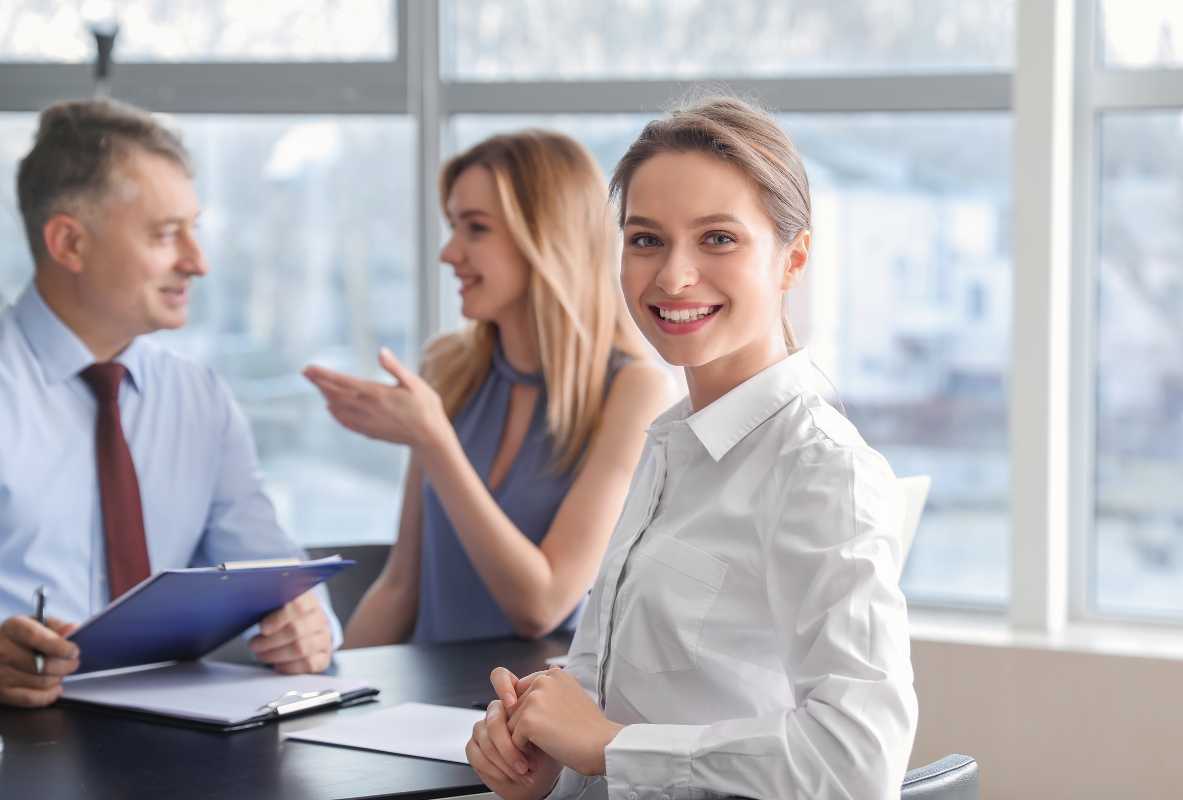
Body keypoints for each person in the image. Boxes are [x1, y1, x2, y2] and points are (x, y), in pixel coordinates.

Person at [466, 97, 919, 798]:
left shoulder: (822, 469)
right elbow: (602, 695)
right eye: (646, 239)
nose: (674, 277)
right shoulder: (671, 443)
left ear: (791, 259)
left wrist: (613, 748)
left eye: (717, 239)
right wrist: (537, 750)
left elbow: (859, 761)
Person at [0, 99, 340, 708]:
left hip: (177, 745)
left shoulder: (198, 399)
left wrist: (310, 625)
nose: (198, 261)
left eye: (194, 228)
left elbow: (276, 570)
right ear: (69, 244)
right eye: (165, 234)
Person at [304, 130, 669, 646]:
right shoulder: (448, 369)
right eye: (453, 226)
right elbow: (400, 586)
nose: (449, 253)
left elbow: (542, 605)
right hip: (420, 710)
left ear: (545, 237)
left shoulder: (635, 390)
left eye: (475, 229)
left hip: (530, 714)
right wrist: (333, 702)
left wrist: (434, 440)